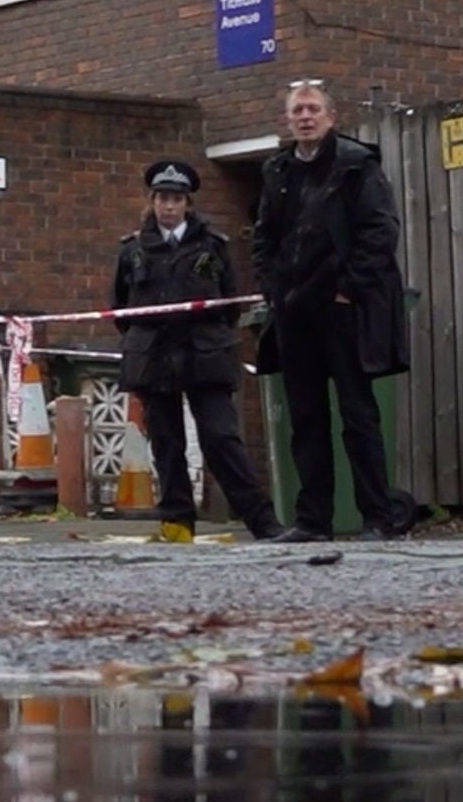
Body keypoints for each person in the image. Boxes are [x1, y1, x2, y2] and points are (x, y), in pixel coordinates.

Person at [251, 81, 415, 542]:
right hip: (293, 312)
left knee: (358, 416)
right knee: (305, 419)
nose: (305, 117)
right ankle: (312, 520)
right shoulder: (277, 171)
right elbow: (263, 237)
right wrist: (272, 290)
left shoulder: (355, 165)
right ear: (288, 119)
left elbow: (380, 232)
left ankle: (378, 518)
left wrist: (348, 289)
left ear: (330, 116)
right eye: (297, 110)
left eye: (313, 109)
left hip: (342, 311)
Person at [112, 159, 280, 542]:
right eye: (162, 198)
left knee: (222, 438)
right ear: (152, 201)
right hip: (153, 357)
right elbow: (121, 309)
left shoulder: (214, 246)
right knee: (167, 444)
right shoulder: (132, 251)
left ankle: (261, 520)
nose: (169, 206)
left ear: (188, 204)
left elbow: (229, 305)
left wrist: (209, 337)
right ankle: (177, 523)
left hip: (205, 355)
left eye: (176, 199)